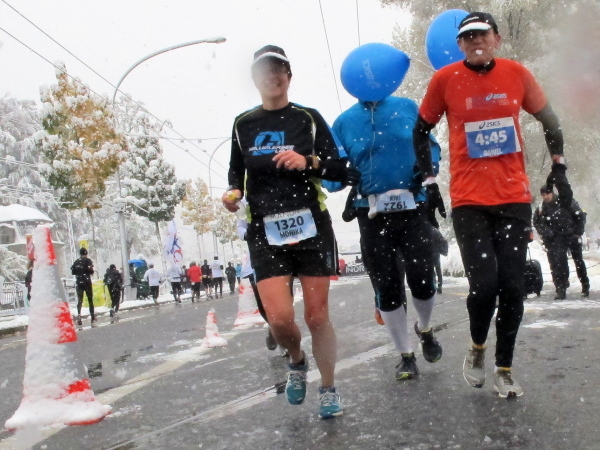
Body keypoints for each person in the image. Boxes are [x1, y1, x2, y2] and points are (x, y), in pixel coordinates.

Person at [414, 12, 572, 398]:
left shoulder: (516, 74)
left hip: (513, 199)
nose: (475, 41)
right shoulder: (445, 80)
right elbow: (420, 131)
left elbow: (550, 119)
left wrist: (559, 166)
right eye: (468, 37)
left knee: (513, 288)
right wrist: (430, 181)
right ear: (460, 45)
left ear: (496, 39)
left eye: (482, 34)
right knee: (484, 287)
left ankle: (504, 368)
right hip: (469, 202)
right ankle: (477, 347)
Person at [222, 45, 358, 419]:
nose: (273, 76)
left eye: (279, 69)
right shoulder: (243, 124)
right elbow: (236, 176)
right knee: (280, 319)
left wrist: (307, 161)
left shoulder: (308, 119)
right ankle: (296, 359)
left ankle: (328, 388)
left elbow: (341, 170)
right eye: (265, 71)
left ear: (289, 76)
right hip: (265, 232)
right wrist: (233, 195)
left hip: (311, 226)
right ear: (254, 79)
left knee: (317, 317)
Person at [325, 93, 444, 381]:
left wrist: (426, 169)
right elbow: (330, 178)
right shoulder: (344, 123)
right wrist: (342, 175)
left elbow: (432, 147)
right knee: (387, 286)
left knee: (423, 277)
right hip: (371, 213)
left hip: (413, 206)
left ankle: (425, 328)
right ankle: (406, 355)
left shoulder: (407, 107)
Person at [533, 185, 589, 299]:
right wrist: (547, 232)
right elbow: (537, 222)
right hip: (556, 238)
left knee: (578, 261)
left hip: (571, 235)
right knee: (558, 263)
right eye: (543, 195)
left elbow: (580, 216)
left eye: (547, 194)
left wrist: (578, 232)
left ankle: (585, 284)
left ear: (552, 193)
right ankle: (560, 288)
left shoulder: (566, 201)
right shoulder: (542, 208)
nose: (545, 197)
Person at [71, 247, 96, 325]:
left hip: (79, 283)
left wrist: (79, 273)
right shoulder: (88, 261)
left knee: (80, 300)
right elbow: (91, 271)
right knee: (90, 300)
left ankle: (79, 315)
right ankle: (92, 317)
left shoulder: (76, 262)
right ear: (86, 253)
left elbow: (73, 272)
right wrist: (89, 271)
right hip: (87, 282)